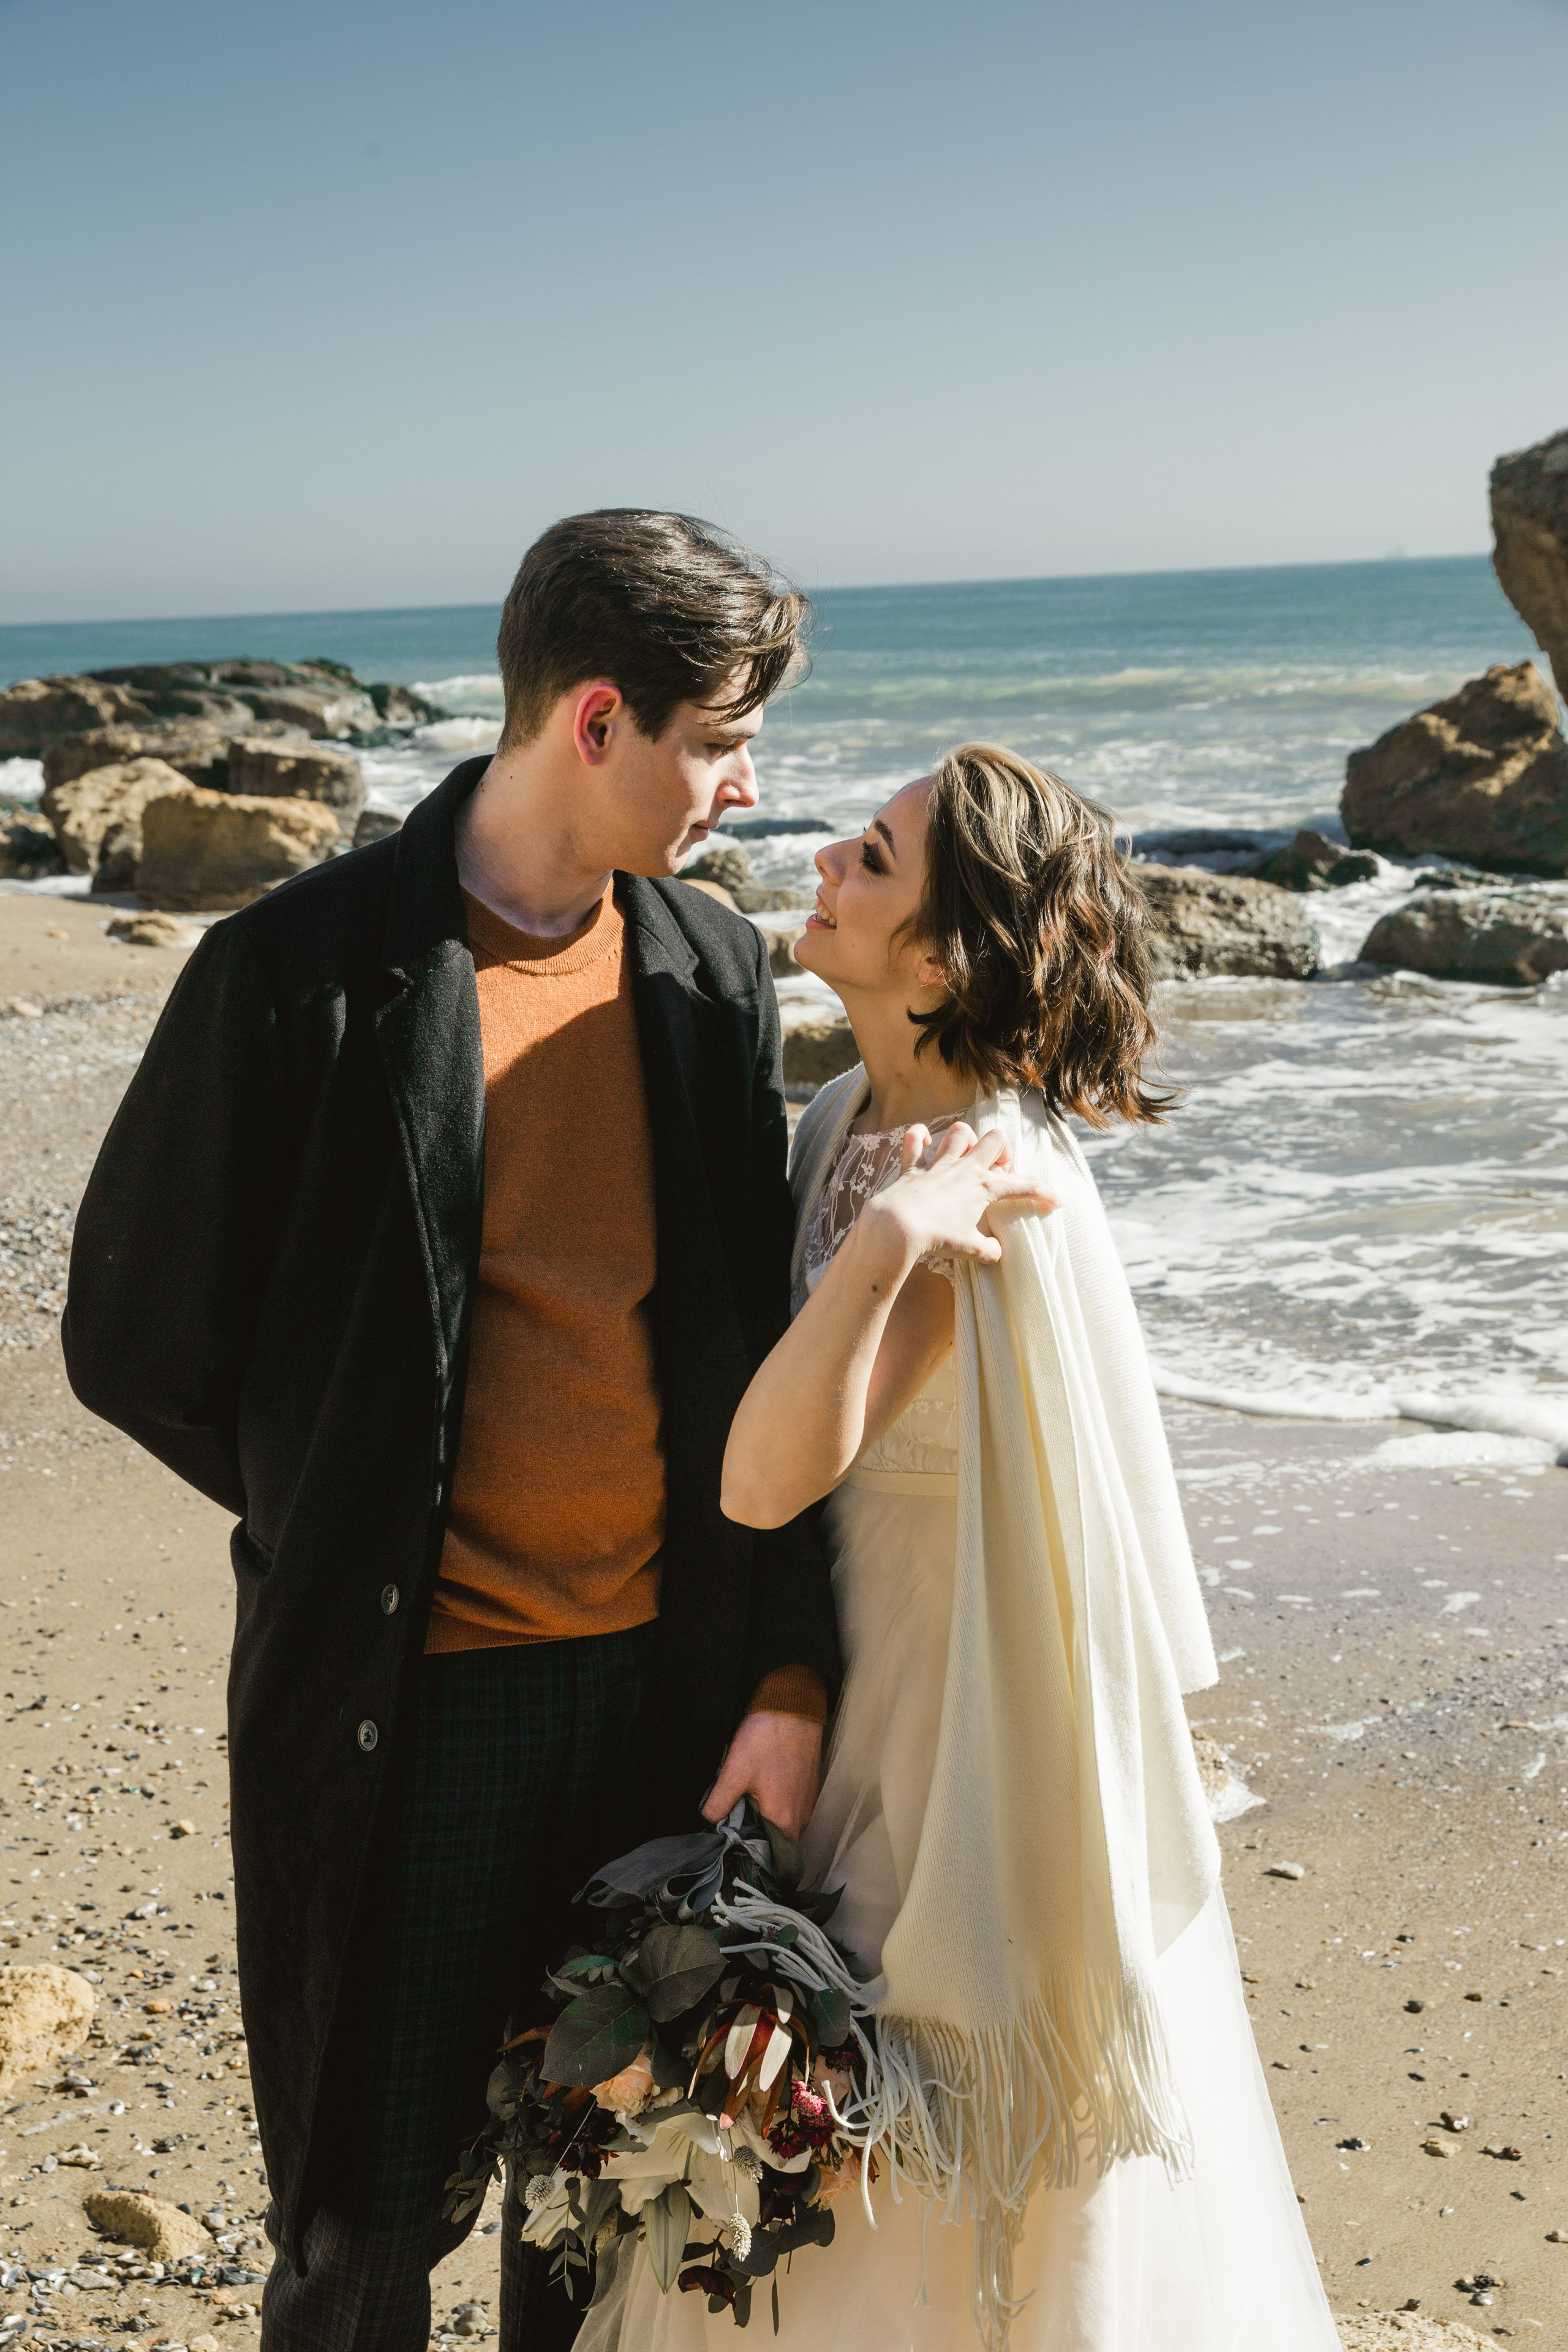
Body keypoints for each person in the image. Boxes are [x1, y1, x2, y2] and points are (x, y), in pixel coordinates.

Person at [61, 510, 840, 2352]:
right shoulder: (299, 976)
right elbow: (132, 1336)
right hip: (415, 1713)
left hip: (654, 1701)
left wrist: (788, 1668)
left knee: (604, 2211)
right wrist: (355, 1513)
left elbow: (751, 1355)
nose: (747, 783)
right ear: (595, 721)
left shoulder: (710, 977)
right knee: (359, 2242)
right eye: (720, 739)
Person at [581, 745, 1340, 2350]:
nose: (822, 870)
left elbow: (770, 1475)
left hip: (949, 1759)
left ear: (938, 961)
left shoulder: (969, 1190)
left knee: (904, 2177)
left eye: (866, 857)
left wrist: (877, 1257)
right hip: (855, 1697)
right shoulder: (854, 1111)